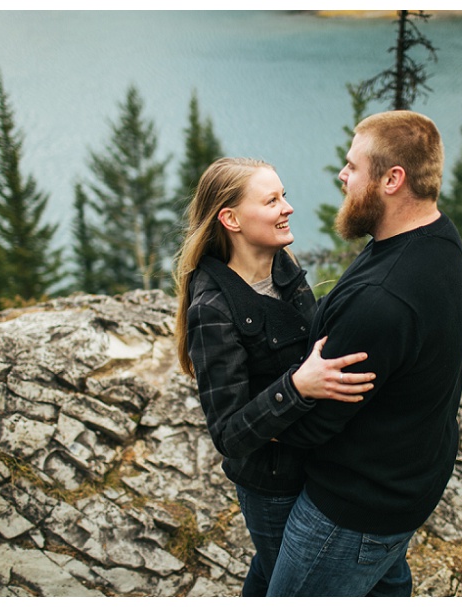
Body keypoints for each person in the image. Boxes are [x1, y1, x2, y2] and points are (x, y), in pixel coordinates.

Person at [265, 111, 462, 597]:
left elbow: (314, 422)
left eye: (352, 166)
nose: (342, 175)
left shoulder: (384, 298)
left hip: (349, 512)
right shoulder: (438, 240)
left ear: (392, 179)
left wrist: (256, 421)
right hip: (405, 481)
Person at [174, 157, 376, 596]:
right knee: (292, 584)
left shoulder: (284, 267)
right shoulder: (211, 309)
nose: (287, 207)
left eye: (283, 195)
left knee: (275, 575)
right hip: (272, 486)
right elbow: (229, 434)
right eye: (271, 200)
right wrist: (298, 387)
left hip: (317, 464)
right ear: (231, 219)